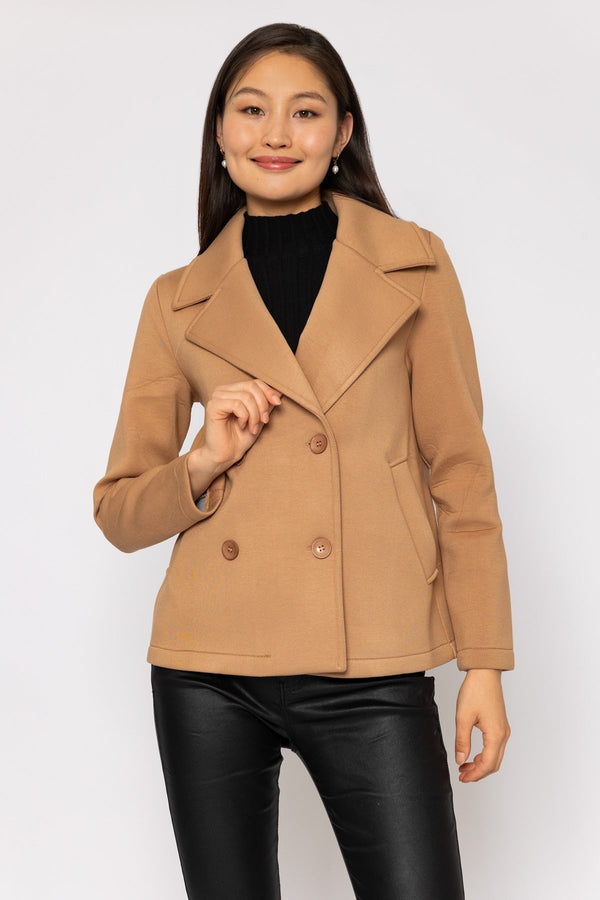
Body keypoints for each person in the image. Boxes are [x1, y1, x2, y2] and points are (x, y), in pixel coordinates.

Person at [93, 22, 513, 900]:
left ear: (343, 132)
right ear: (219, 131)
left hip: (374, 660)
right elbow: (119, 512)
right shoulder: (177, 301)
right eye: (251, 111)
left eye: (306, 112)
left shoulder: (414, 266)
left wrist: (483, 665)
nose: (276, 135)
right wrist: (202, 461)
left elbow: (461, 475)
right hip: (208, 667)